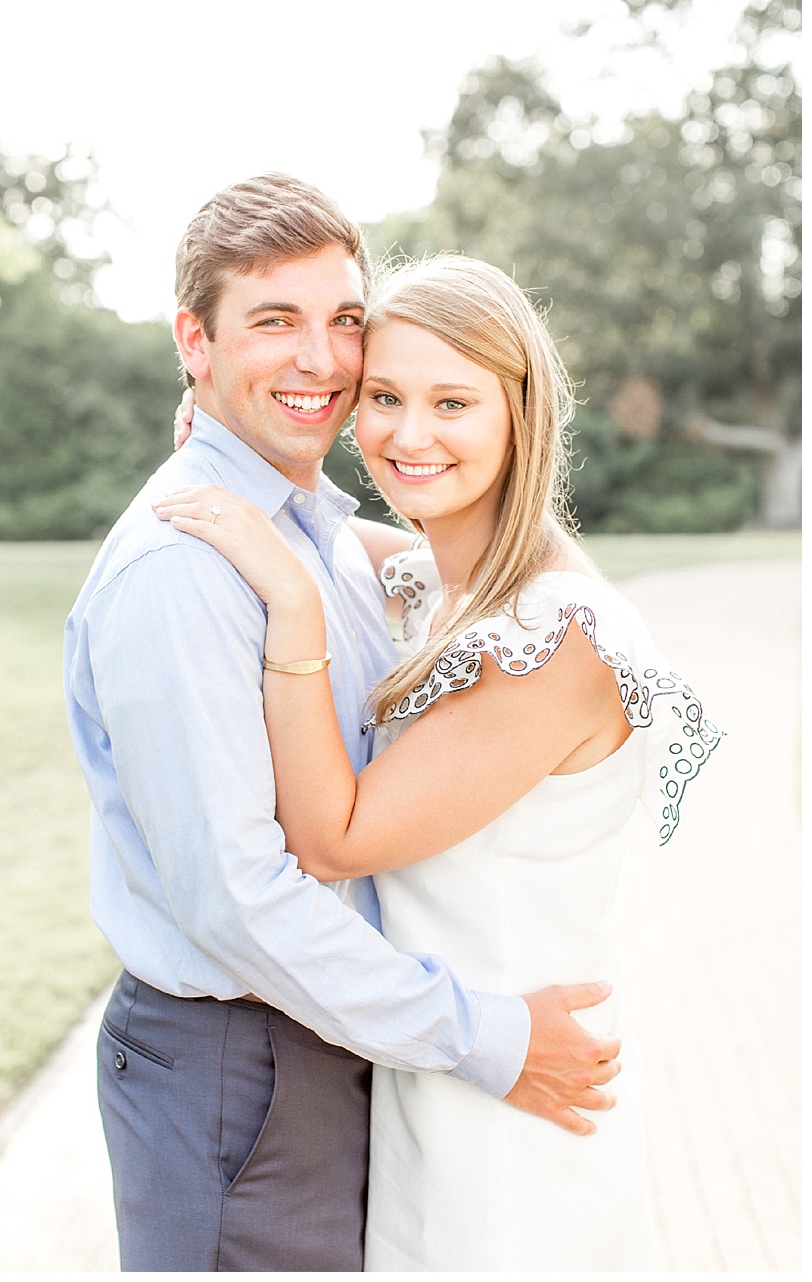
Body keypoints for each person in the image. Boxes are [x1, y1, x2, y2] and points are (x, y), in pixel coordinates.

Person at [62, 175, 623, 1272]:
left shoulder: (310, 530)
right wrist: (491, 1039)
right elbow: (242, 901)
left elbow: (463, 572)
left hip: (333, 1041)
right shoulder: (187, 573)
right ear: (196, 340)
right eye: (274, 323)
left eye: (343, 322)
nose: (321, 359)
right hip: (246, 1062)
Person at [153, 253, 718, 1269]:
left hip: (518, 1107)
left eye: (452, 401)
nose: (409, 435)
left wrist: (293, 607)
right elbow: (356, 539)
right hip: (444, 1074)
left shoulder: (554, 638)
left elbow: (334, 837)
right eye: (384, 397)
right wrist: (234, 445)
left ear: (522, 411)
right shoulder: (440, 581)